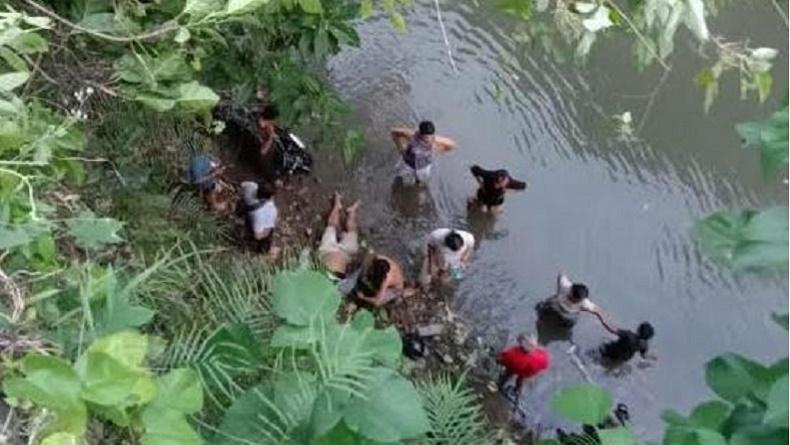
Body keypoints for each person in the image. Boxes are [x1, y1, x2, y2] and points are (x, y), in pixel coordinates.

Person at [535, 272, 614, 330]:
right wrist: (558, 290)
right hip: (554, 305)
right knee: (540, 313)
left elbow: (597, 311)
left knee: (565, 328)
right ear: (570, 290)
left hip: (567, 315)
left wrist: (604, 323)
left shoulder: (585, 303)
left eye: (576, 301)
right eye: (572, 298)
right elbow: (561, 274)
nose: (573, 301)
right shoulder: (565, 285)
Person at [391, 121, 456, 185]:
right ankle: (397, 185)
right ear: (420, 133)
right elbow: (394, 132)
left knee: (420, 181)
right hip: (407, 163)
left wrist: (437, 151)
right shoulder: (411, 135)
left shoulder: (435, 140)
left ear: (433, 134)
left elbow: (452, 145)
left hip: (424, 166)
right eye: (425, 137)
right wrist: (400, 148)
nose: (427, 139)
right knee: (399, 177)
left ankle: (417, 183)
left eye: (429, 136)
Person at [319, 192, 361, 280]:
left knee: (332, 226)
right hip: (342, 254)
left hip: (329, 251)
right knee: (347, 230)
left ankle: (339, 206)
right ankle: (346, 209)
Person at [498, 334, 551, 402]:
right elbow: (545, 363)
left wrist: (499, 359)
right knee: (521, 380)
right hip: (528, 371)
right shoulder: (541, 355)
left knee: (507, 374)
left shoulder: (513, 353)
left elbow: (504, 359)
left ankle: (500, 385)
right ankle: (517, 392)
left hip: (515, 367)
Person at [240, 181, 278, 253]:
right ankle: (261, 251)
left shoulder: (251, 186)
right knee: (264, 241)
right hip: (259, 227)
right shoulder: (262, 213)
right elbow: (257, 236)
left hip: (248, 214)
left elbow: (242, 185)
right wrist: (267, 232)